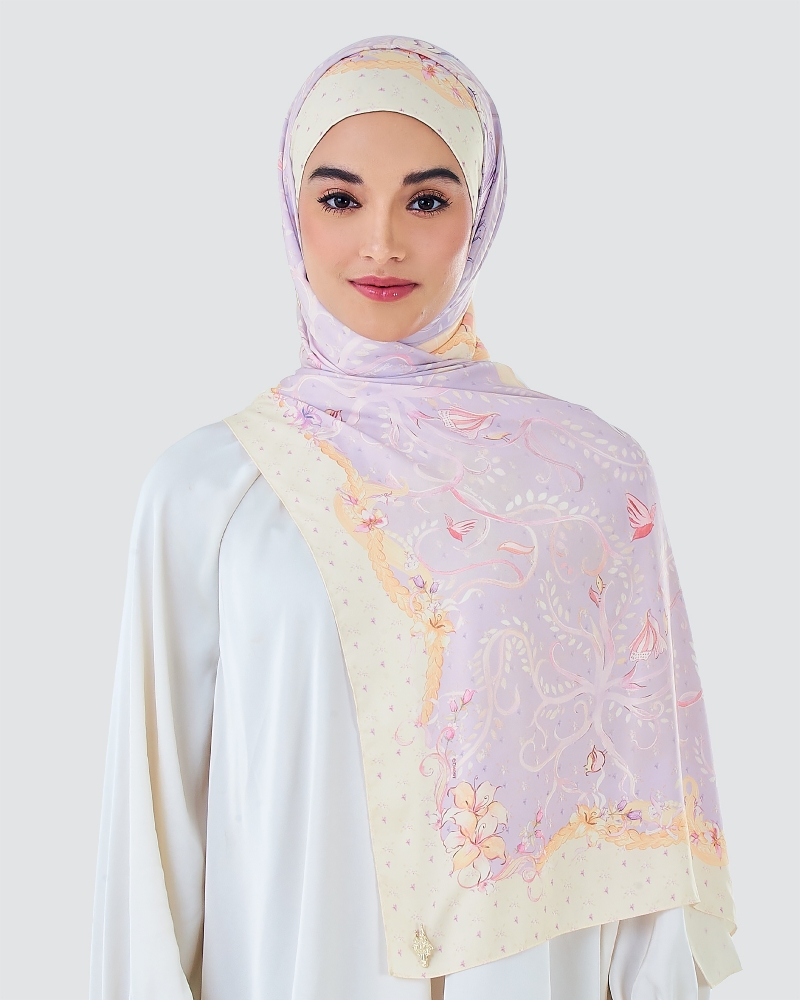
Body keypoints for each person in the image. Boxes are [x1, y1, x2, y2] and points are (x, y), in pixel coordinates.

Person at [90, 36, 741, 1000]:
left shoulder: (589, 485)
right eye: (340, 199)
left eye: (427, 201)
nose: (382, 243)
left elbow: (644, 843)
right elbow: (153, 839)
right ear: (293, 212)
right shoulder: (212, 488)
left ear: (482, 215)